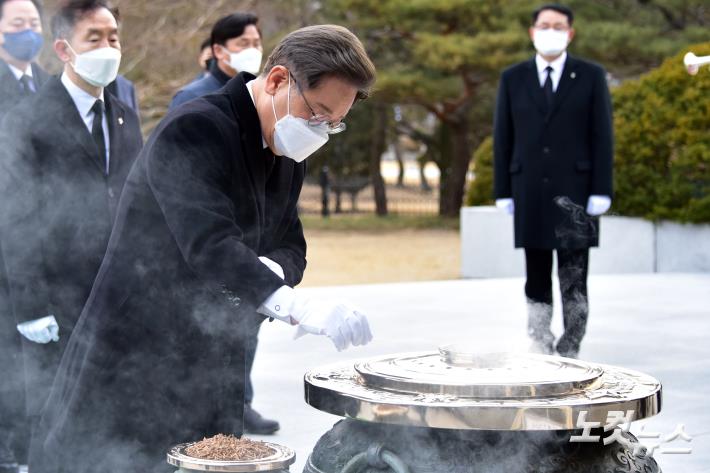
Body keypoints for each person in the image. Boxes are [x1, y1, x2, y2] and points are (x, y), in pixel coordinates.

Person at [29, 24, 375, 473]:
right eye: (318, 113)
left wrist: (268, 268)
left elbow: (293, 245)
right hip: (137, 353)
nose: (321, 131)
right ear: (276, 80)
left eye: (333, 123)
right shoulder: (196, 127)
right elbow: (208, 243)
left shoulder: (289, 149)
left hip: (214, 355)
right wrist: (289, 303)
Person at [0, 0, 143, 460]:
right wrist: (32, 307)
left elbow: (133, 201)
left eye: (113, 37)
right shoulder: (25, 120)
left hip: (112, 293)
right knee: (54, 419)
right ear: (64, 49)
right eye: (94, 39)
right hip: (55, 298)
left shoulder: (124, 114)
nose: (108, 47)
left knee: (112, 417)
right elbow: (16, 216)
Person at [172, 11, 276, 435]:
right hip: (213, 235)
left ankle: (240, 402)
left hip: (248, 234)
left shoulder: (261, 100)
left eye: (256, 38)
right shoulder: (194, 100)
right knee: (212, 332)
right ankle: (214, 412)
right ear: (217, 50)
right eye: (242, 41)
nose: (252, 47)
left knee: (246, 328)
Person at [493, 3, 613, 358]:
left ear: (570, 33)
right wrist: (502, 189)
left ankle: (572, 342)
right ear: (532, 31)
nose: (550, 31)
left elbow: (602, 134)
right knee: (536, 273)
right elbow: (504, 135)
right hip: (528, 188)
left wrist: (602, 188)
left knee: (574, 274)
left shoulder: (590, 75)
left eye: (558, 26)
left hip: (576, 191)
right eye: (544, 25)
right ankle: (539, 338)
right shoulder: (512, 77)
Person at [0, 1, 48, 470]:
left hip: (44, 239)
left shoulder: (49, 86)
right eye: (18, 25)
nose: (28, 32)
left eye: (34, 24)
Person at [170, 12, 262, 110]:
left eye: (256, 44)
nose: (252, 51)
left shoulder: (263, 93)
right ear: (218, 51)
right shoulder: (190, 97)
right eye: (243, 44)